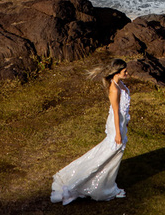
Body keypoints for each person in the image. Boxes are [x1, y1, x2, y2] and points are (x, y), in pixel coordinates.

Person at [51, 59, 131, 205]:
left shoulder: (120, 84)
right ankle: (85, 183)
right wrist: (118, 133)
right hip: (116, 124)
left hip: (121, 123)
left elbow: (123, 109)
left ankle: (107, 182)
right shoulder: (114, 89)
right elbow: (115, 111)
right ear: (117, 72)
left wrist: (126, 122)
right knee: (110, 152)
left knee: (114, 153)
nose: (127, 73)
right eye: (124, 71)